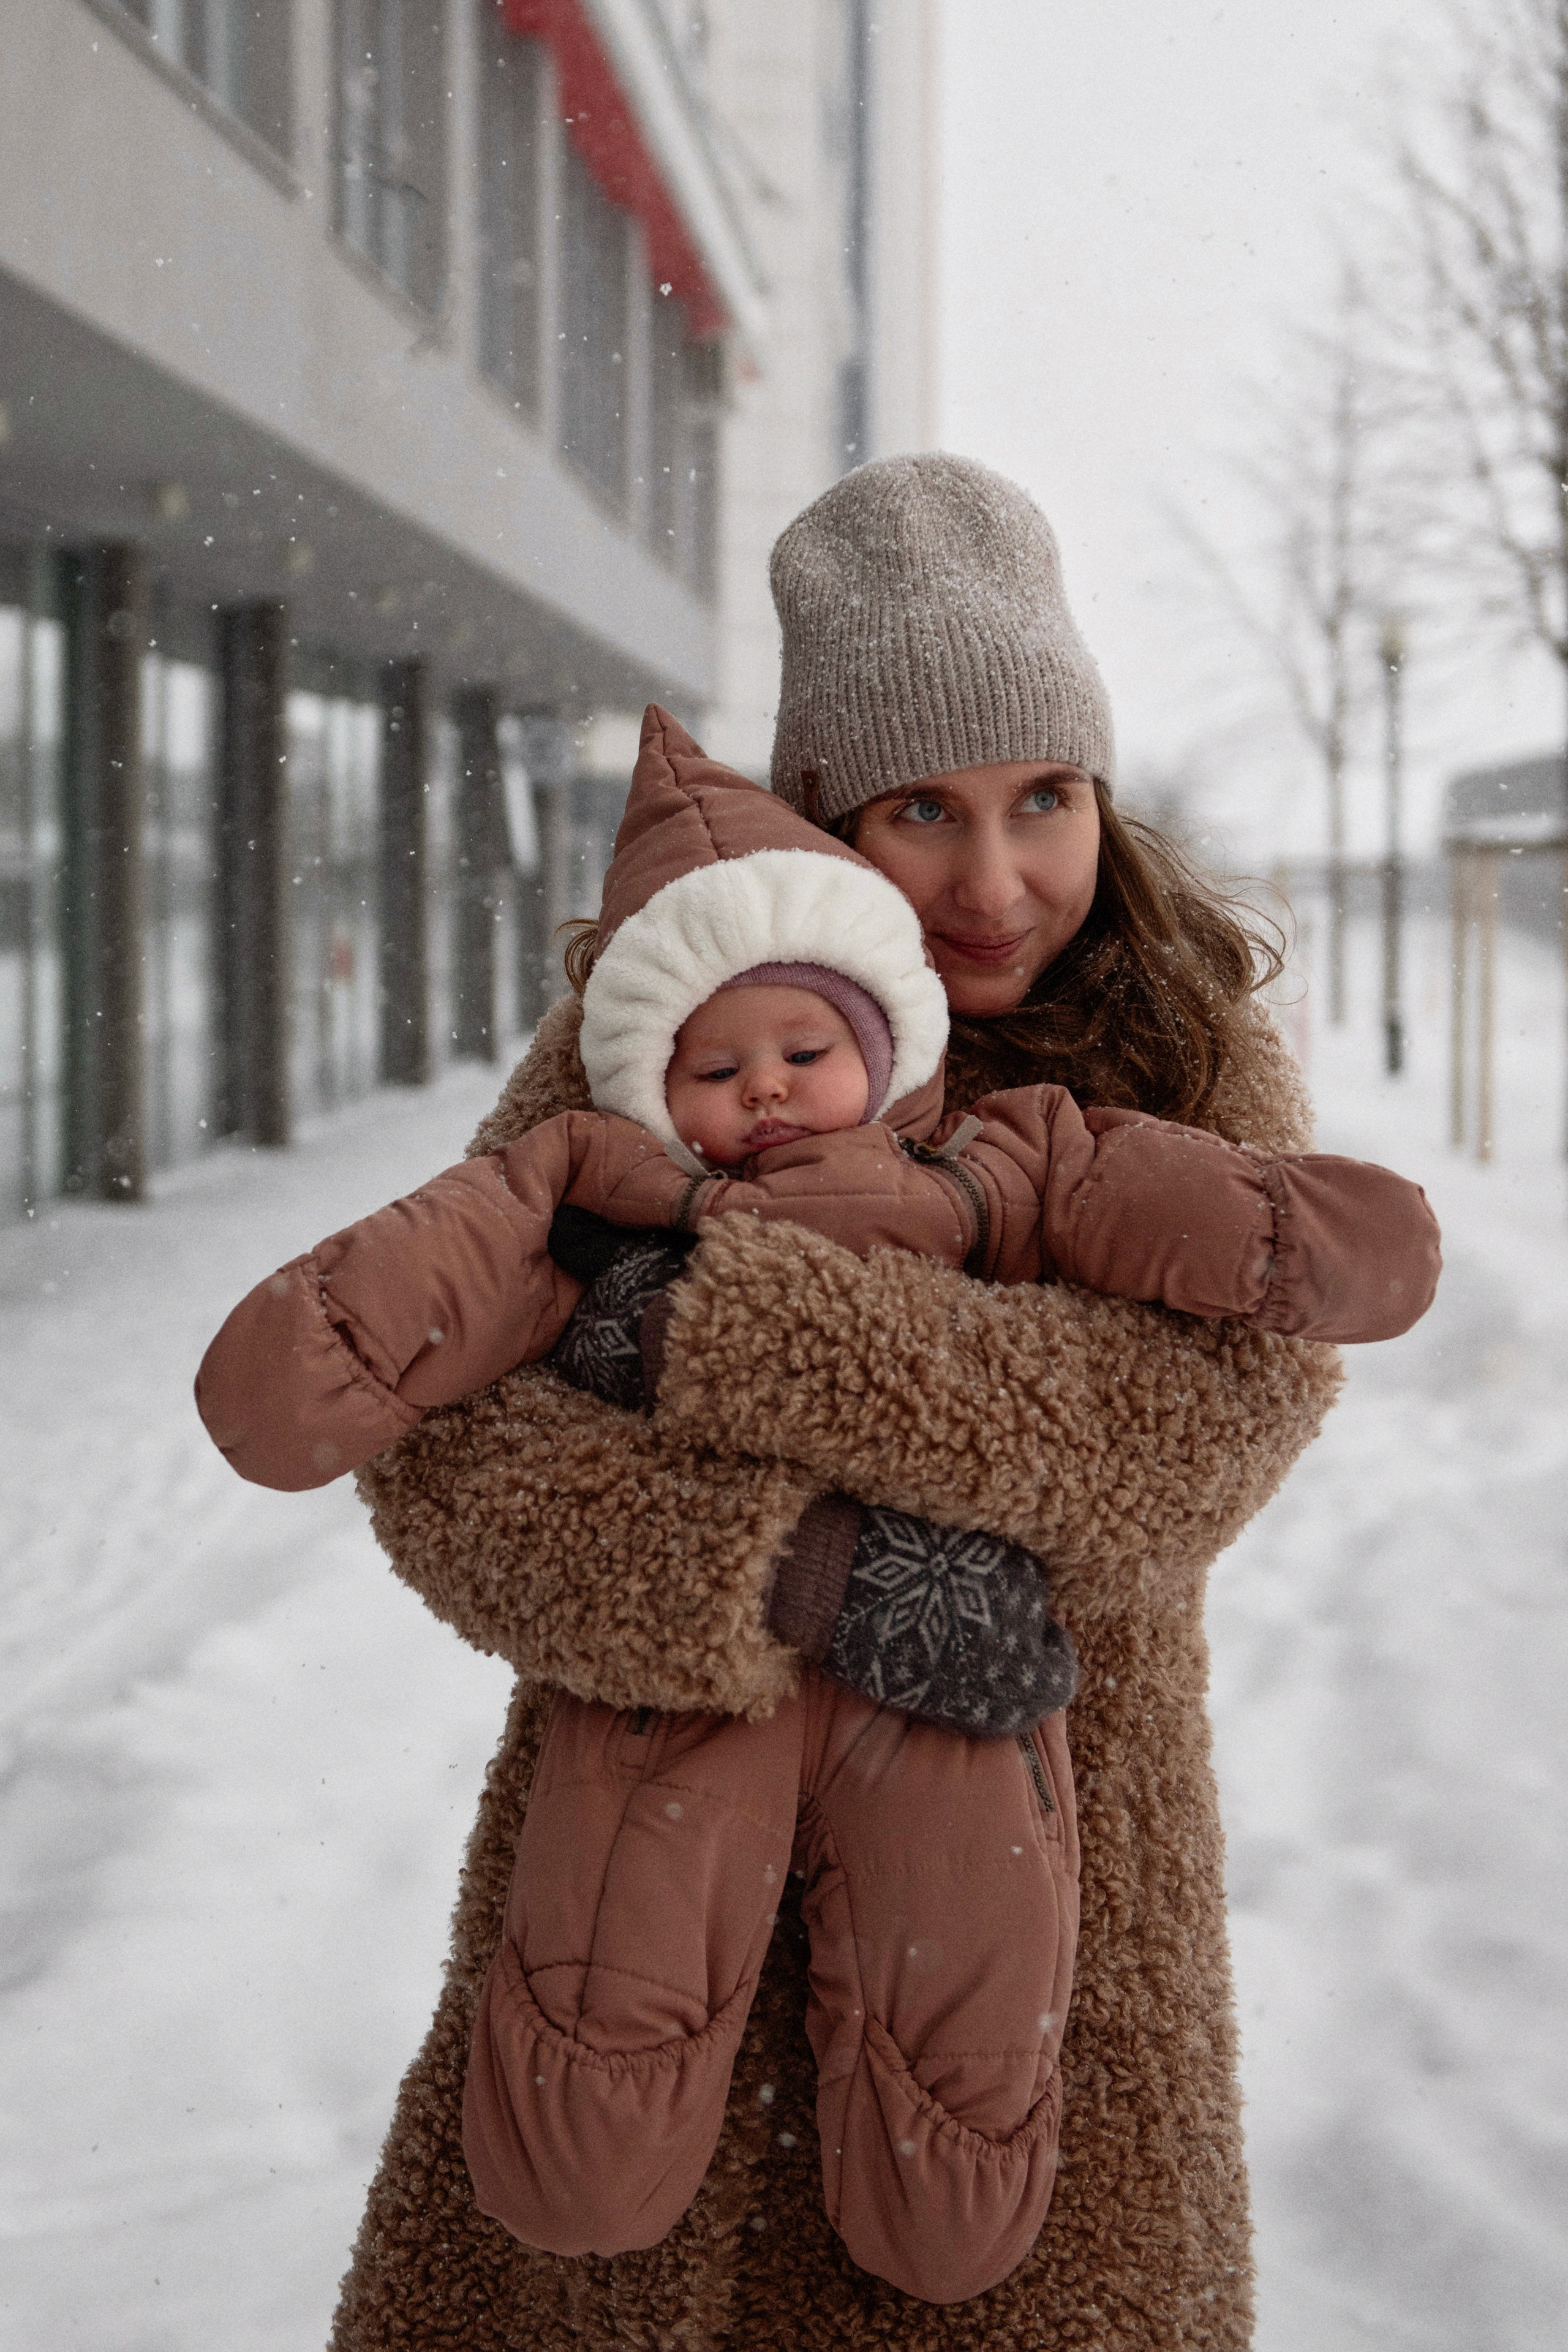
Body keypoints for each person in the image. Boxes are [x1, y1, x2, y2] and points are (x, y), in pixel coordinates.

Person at [319, 454, 1370, 2351]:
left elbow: (1191, 1431)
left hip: (1048, 1912)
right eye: (924, 810)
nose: (996, 880)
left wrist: (716, 1328)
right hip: (628, 1888)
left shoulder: (1182, 1045)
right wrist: (784, 1566)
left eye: (1045, 799)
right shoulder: (653, 1031)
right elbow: (446, 1444)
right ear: (820, 814)